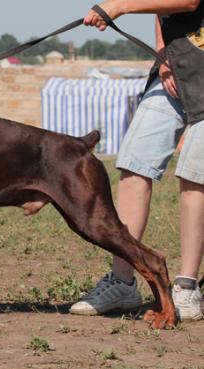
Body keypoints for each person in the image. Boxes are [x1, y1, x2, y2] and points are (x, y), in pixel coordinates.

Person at [70, 0, 204, 321]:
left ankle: (186, 287)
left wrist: (120, 6)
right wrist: (162, 55)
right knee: (135, 162)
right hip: (177, 67)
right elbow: (163, 10)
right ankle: (123, 280)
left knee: (195, 173)